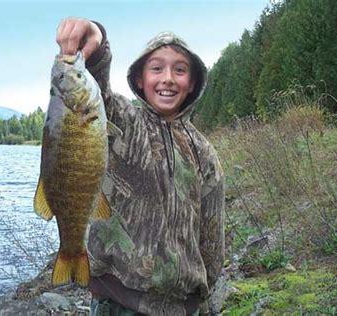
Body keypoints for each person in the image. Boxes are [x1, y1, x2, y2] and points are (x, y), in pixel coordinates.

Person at [56, 18, 225, 316]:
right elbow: (96, 88)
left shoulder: (205, 153)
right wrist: (96, 42)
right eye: (156, 68)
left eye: (180, 70)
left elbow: (212, 235)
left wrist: (205, 294)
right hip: (117, 302)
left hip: (184, 307)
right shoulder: (123, 121)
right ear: (139, 80)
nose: (168, 78)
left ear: (193, 82)